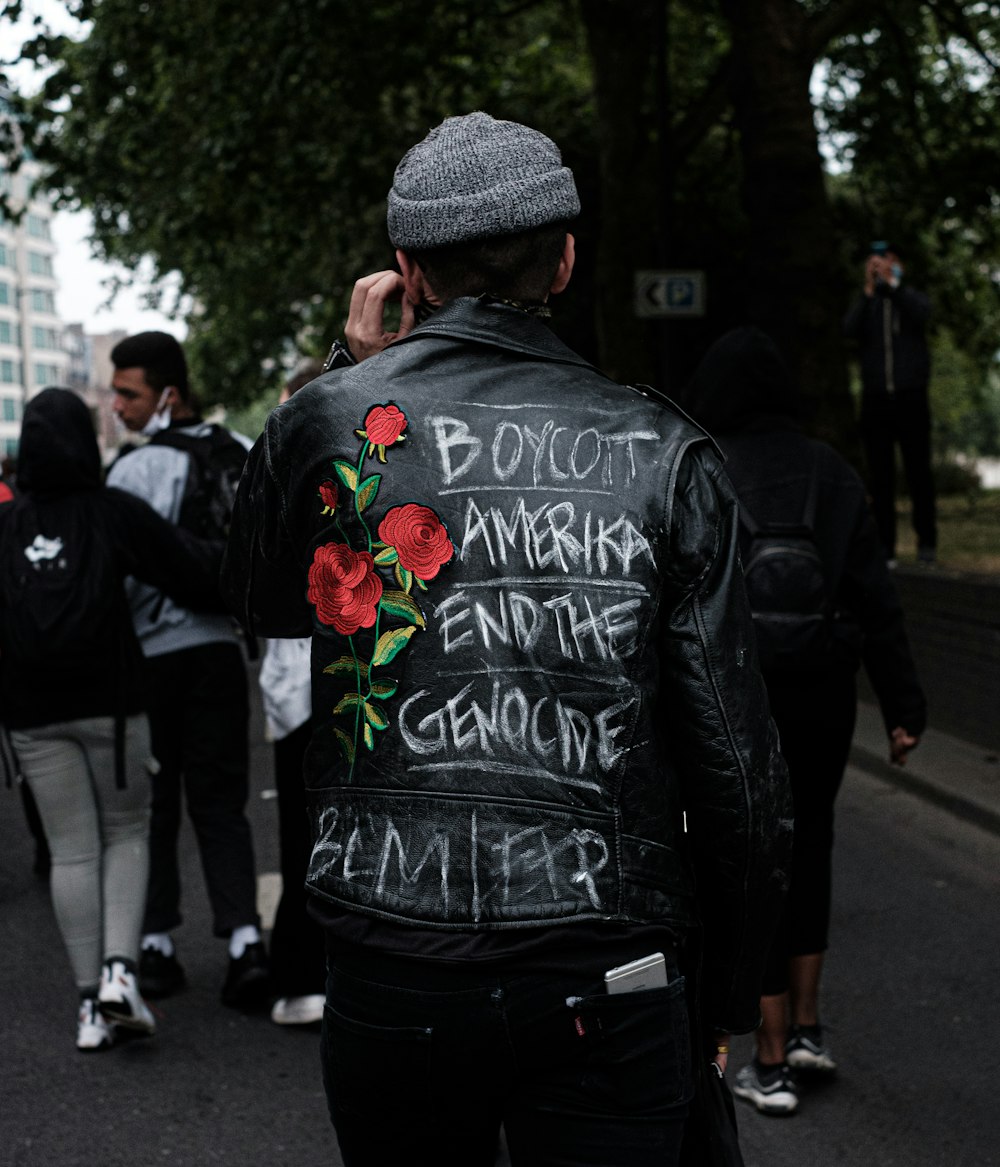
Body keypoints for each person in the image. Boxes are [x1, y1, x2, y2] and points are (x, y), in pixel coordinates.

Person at [222, 112, 791, 1167]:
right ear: (566, 259)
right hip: (607, 961)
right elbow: (737, 764)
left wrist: (343, 377)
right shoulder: (665, 449)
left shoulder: (329, 418)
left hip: (391, 950)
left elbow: (255, 593)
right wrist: (717, 992)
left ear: (405, 271)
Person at [682, 327, 927, 1115]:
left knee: (750, 854)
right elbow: (877, 602)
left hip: (738, 694)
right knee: (812, 840)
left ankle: (769, 1053)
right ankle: (813, 1026)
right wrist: (903, 709)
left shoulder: (703, 466)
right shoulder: (833, 471)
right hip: (825, 687)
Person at [0, 388, 224, 1051]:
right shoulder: (112, 513)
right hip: (115, 708)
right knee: (127, 830)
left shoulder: (4, 527)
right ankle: (121, 976)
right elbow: (188, 572)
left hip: (31, 716)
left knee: (71, 848)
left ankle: (87, 1007)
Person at [105, 331, 268, 1009]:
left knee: (157, 805)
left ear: (167, 393)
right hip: (220, 655)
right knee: (222, 801)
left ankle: (157, 946)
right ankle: (244, 943)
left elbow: (114, 583)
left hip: (153, 660)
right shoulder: (239, 453)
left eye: (129, 392)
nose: (118, 406)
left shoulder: (132, 473)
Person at [258, 358, 327, 1027]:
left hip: (299, 686)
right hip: (363, 680)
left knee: (301, 835)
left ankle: (303, 973)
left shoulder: (282, 481)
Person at [843, 242, 937, 566]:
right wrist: (868, 290)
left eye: (887, 260)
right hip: (876, 398)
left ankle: (927, 543)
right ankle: (886, 548)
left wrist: (894, 285)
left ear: (898, 264)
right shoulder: (868, 304)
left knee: (918, 473)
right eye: (876, 261)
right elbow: (849, 329)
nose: (881, 266)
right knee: (880, 477)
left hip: (911, 396)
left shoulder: (910, 298)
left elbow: (922, 314)